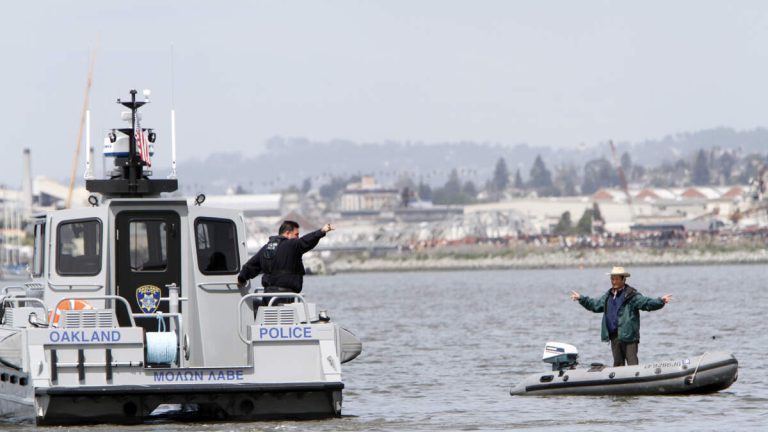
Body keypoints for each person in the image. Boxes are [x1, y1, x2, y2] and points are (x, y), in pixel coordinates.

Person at [570, 266, 672, 367]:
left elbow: (646, 303)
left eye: (617, 279)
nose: (614, 281)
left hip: (629, 337)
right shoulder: (608, 295)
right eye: (612, 279)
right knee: (618, 365)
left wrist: (660, 301)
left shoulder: (632, 295)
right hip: (614, 336)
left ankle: (636, 382)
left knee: (633, 365)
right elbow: (595, 305)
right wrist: (581, 298)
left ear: (624, 279)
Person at [237, 220, 334, 307]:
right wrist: (321, 231)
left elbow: (251, 266)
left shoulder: (266, 248)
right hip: (286, 298)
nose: (298, 237)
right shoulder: (292, 245)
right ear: (288, 233)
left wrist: (241, 278)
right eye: (296, 234)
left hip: (267, 296)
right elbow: (305, 241)